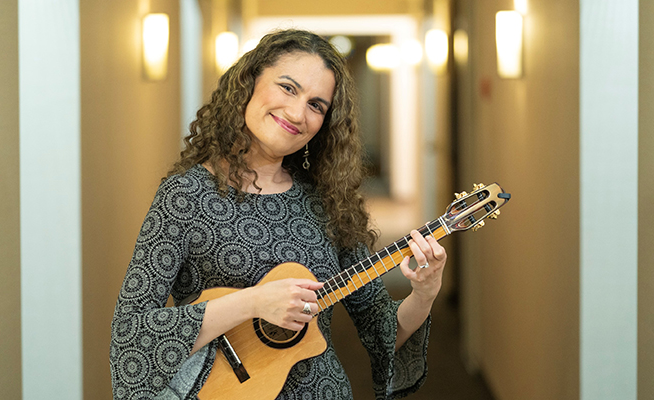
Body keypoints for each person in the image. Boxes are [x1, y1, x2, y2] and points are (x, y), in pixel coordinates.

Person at [109, 29, 447, 400]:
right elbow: (132, 333)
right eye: (288, 88)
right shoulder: (185, 195)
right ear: (249, 82)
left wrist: (424, 293)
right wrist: (253, 302)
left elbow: (383, 332)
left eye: (317, 105)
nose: (297, 113)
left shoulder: (327, 200)